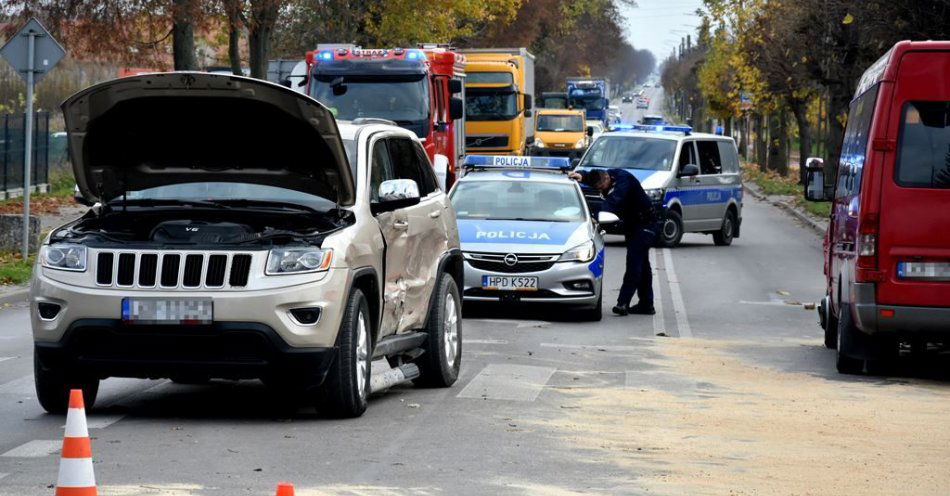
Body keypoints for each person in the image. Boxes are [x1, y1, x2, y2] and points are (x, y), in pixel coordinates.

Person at [569, 168, 657, 316]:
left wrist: (598, 216)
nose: (602, 191)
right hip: (632, 224)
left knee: (634, 263)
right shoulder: (603, 177)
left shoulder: (623, 180)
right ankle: (646, 304)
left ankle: (623, 303)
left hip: (646, 223)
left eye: (602, 188)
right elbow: (590, 175)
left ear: (608, 179)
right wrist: (582, 175)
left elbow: (613, 201)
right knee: (642, 265)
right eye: (598, 189)